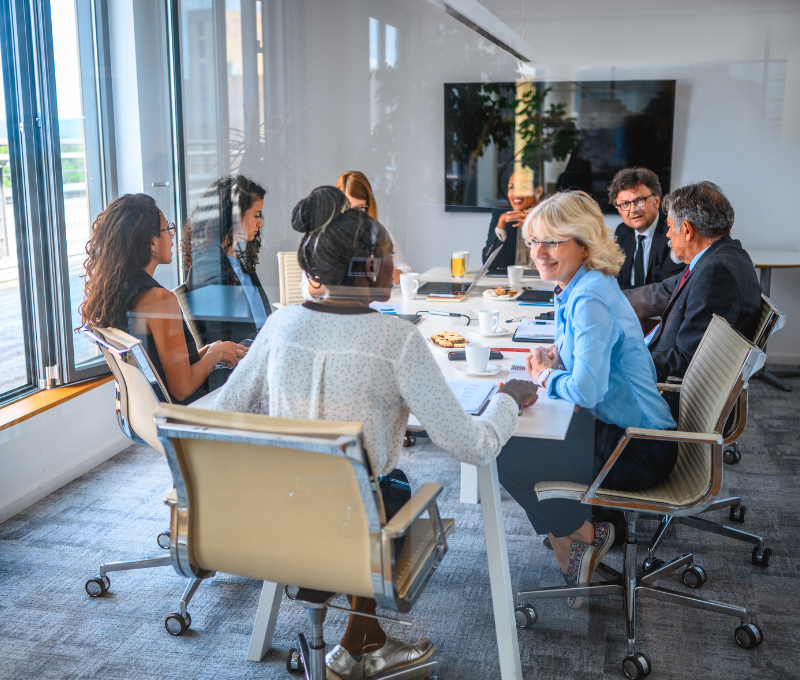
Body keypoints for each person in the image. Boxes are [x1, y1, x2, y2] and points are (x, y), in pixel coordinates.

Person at [212, 186, 537, 680]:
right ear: (366, 270)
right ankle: (360, 643)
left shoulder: (279, 327)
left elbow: (225, 412)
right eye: (389, 259)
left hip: (274, 522)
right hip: (354, 530)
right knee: (390, 487)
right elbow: (475, 445)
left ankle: (362, 640)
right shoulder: (395, 340)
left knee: (358, 485)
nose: (396, 270)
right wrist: (509, 398)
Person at [495, 190, 677, 609]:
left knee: (507, 456)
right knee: (516, 446)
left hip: (639, 447)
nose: (538, 252)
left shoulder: (589, 296)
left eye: (552, 242)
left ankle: (580, 536)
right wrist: (556, 358)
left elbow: (586, 391)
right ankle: (575, 533)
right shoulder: (581, 285)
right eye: (534, 241)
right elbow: (585, 361)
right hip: (619, 429)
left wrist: (545, 375)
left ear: (584, 243)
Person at [80, 194, 247, 405]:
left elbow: (161, 367)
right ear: (151, 242)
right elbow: (182, 389)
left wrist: (210, 353)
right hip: (190, 412)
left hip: (152, 412)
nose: (172, 236)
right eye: (167, 229)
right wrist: (215, 354)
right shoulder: (159, 301)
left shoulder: (115, 294)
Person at [624, 181, 762, 388]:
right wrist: (608, 299)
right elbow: (665, 290)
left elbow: (687, 360)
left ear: (687, 230)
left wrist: (623, 361)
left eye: (670, 226)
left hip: (668, 390)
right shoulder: (722, 255)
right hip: (661, 362)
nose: (668, 235)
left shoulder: (716, 273)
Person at [182, 175, 271, 346]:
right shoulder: (208, 267)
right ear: (235, 216)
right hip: (240, 362)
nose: (260, 223)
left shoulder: (240, 258)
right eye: (256, 215)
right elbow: (219, 341)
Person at [609, 167, 684, 291]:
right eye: (625, 204)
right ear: (618, 209)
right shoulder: (622, 232)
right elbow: (616, 281)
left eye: (639, 200)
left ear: (656, 200)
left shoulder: (673, 232)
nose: (633, 210)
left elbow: (666, 289)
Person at [336, 170, 412, 284]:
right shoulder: (325, 237)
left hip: (371, 300)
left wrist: (383, 271)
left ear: (368, 206)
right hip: (336, 300)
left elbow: (407, 272)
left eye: (359, 208)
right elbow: (307, 289)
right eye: (347, 208)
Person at [481, 170, 543, 272]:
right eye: (511, 187)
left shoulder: (548, 215)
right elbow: (488, 265)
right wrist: (501, 224)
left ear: (537, 192)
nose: (515, 193)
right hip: (510, 279)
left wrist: (537, 222)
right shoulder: (501, 215)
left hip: (541, 279)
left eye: (522, 187)